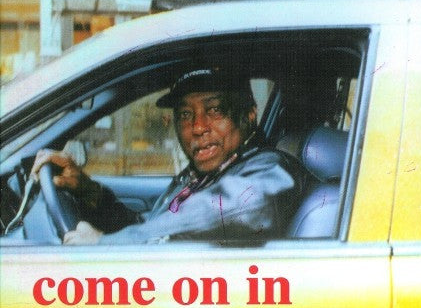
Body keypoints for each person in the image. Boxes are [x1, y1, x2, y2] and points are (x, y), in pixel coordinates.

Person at [31, 69, 307, 244]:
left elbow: (243, 208)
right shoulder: (199, 176)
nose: (197, 127)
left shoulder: (270, 167)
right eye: (185, 114)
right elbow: (153, 227)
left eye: (214, 110)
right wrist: (89, 191)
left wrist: (106, 245)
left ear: (249, 114)